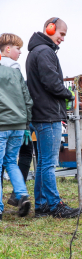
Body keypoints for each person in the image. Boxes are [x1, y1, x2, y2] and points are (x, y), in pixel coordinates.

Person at [26, 18, 80, 218]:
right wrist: (70, 94)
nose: (63, 39)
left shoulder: (36, 51)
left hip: (41, 113)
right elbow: (51, 83)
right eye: (62, 34)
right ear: (50, 28)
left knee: (42, 163)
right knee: (49, 163)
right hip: (47, 115)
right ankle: (55, 205)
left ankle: (42, 205)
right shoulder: (45, 52)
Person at [0, 33, 33, 219]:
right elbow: (27, 99)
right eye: (18, 48)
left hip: (2, 124)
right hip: (19, 125)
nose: (21, 52)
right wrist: (26, 124)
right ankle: (22, 195)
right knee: (11, 162)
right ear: (7, 49)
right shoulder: (17, 72)